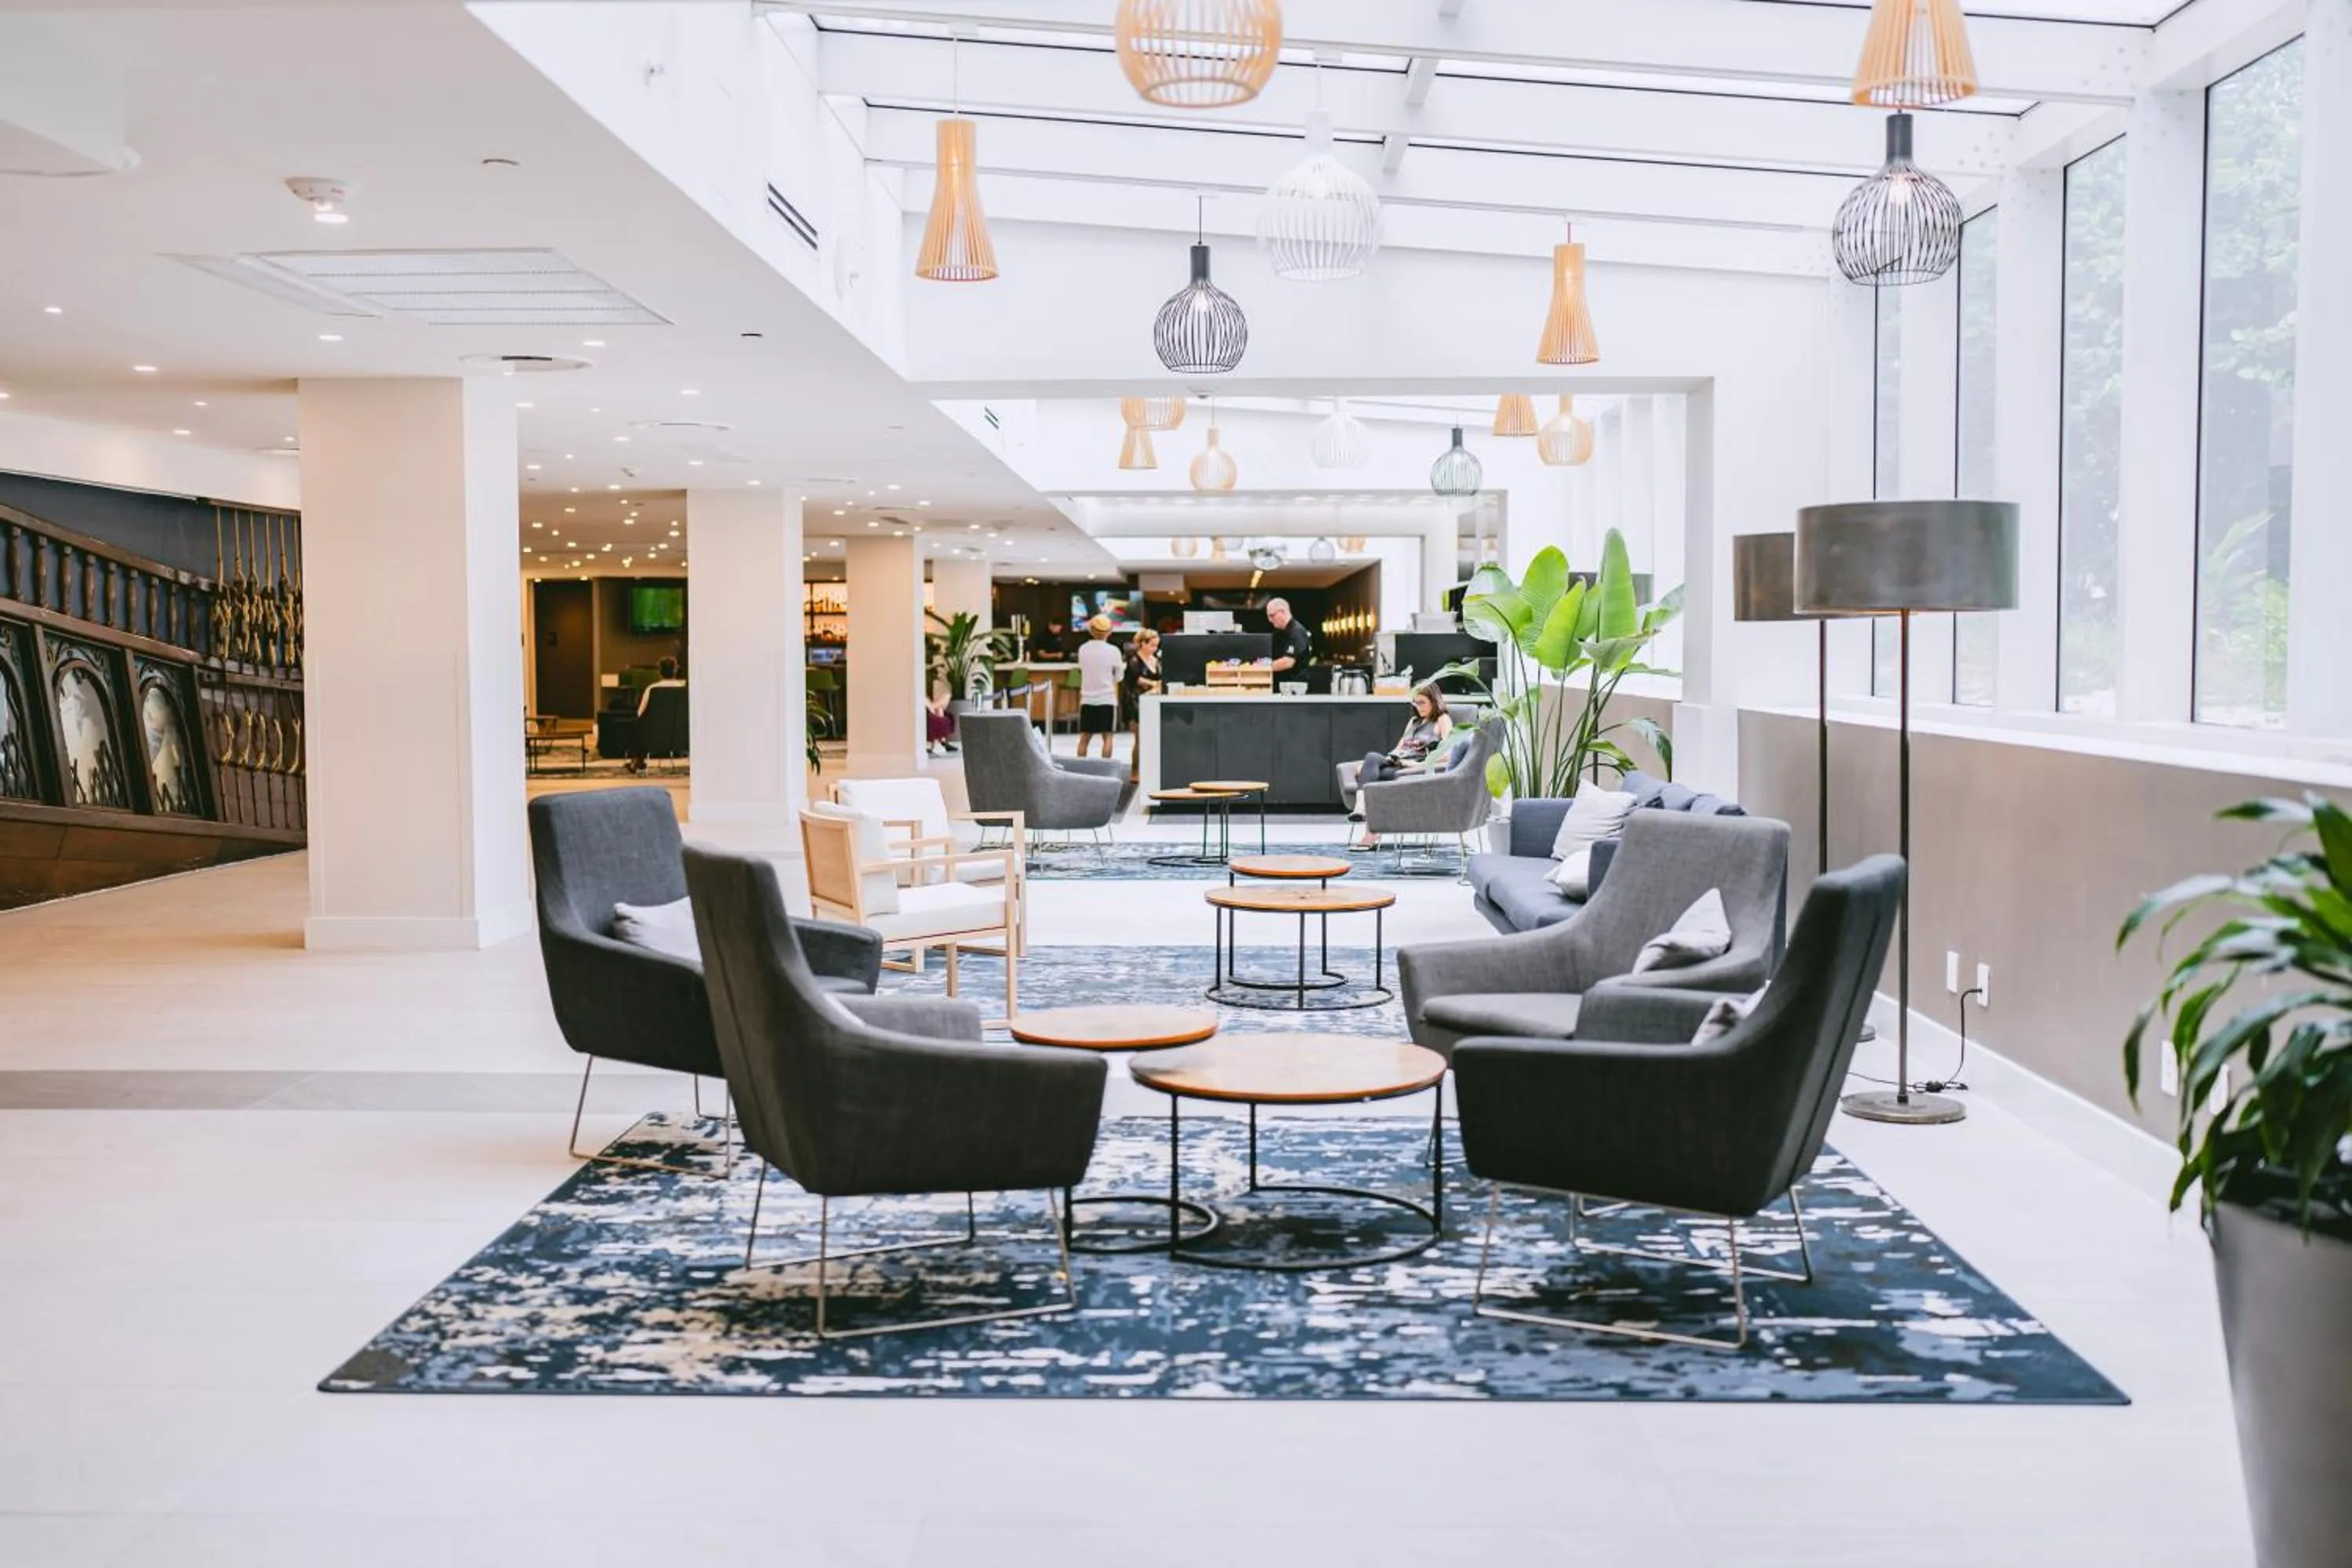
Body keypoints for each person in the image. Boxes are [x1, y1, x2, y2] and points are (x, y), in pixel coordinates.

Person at [1348, 683, 1454, 849]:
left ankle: (1368, 827)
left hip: (1415, 770)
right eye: (1415, 703)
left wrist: (1418, 764)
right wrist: (1382, 762)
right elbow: (1399, 749)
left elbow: (1448, 753)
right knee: (1371, 758)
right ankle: (1366, 820)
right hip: (1399, 765)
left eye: (1422, 703)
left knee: (1369, 773)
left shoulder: (1442, 720)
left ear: (1434, 701)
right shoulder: (1413, 722)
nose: (1418, 707)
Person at [1074, 615, 1124, 759]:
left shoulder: (1083, 649)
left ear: (1090, 630)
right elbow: (1119, 676)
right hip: (1107, 698)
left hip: (1087, 699)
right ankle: (1106, 772)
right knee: (1108, 737)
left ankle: (1080, 769)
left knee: (1084, 738)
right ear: (1109, 632)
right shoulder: (1114, 651)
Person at [625, 658, 686, 775]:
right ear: (675, 670)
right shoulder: (684, 690)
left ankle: (638, 762)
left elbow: (640, 714)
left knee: (634, 727)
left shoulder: (652, 689)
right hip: (679, 736)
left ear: (660, 672)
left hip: (652, 737)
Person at [1121, 626, 1163, 779]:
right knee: (1140, 739)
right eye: (1152, 645)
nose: (1154, 648)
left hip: (1153, 702)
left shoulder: (1156, 660)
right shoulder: (1134, 660)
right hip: (1135, 704)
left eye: (1156, 645)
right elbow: (1136, 680)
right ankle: (1135, 771)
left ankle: (1151, 769)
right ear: (1142, 643)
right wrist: (1153, 684)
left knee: (1152, 739)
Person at [1265, 597, 1312, 674]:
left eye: (1272, 615)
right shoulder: (1283, 632)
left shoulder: (1297, 631)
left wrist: (1263, 668)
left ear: (1282, 612)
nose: (1270, 620)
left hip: (1295, 683)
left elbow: (1288, 662)